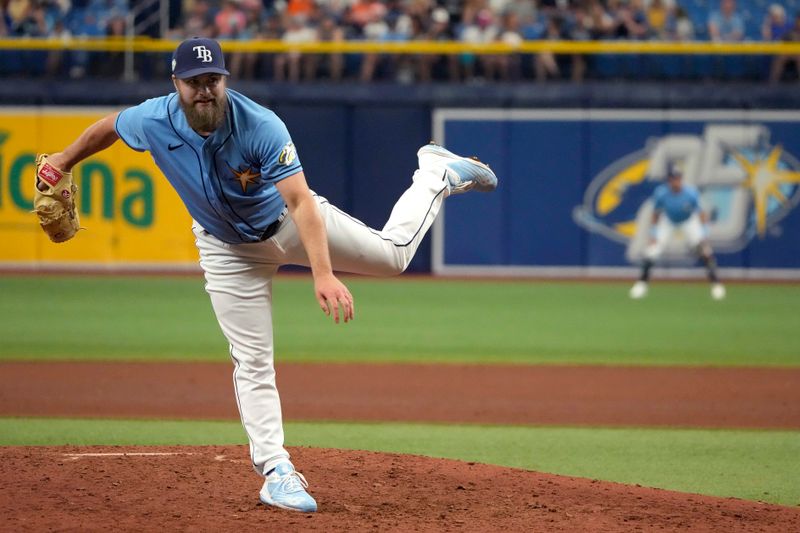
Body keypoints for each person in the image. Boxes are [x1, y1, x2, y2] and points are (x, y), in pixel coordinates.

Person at [36, 37, 497, 512]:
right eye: (193, 82)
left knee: (394, 255)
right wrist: (61, 162)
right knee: (252, 360)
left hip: (289, 225)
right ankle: (277, 471)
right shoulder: (153, 117)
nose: (204, 90)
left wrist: (322, 273)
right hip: (226, 248)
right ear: (176, 84)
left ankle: (435, 174)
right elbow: (109, 127)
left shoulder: (259, 125)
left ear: (225, 80)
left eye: (212, 80)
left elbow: (300, 202)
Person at [629, 166, 725, 301]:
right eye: (672, 179)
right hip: (668, 221)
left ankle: (716, 285)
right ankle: (641, 284)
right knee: (652, 251)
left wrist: (704, 233)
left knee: (704, 250)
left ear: (681, 179)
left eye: (677, 179)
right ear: (669, 181)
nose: (675, 182)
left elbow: (701, 213)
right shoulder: (661, 193)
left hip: (688, 221)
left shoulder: (691, 193)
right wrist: (653, 233)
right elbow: (656, 213)